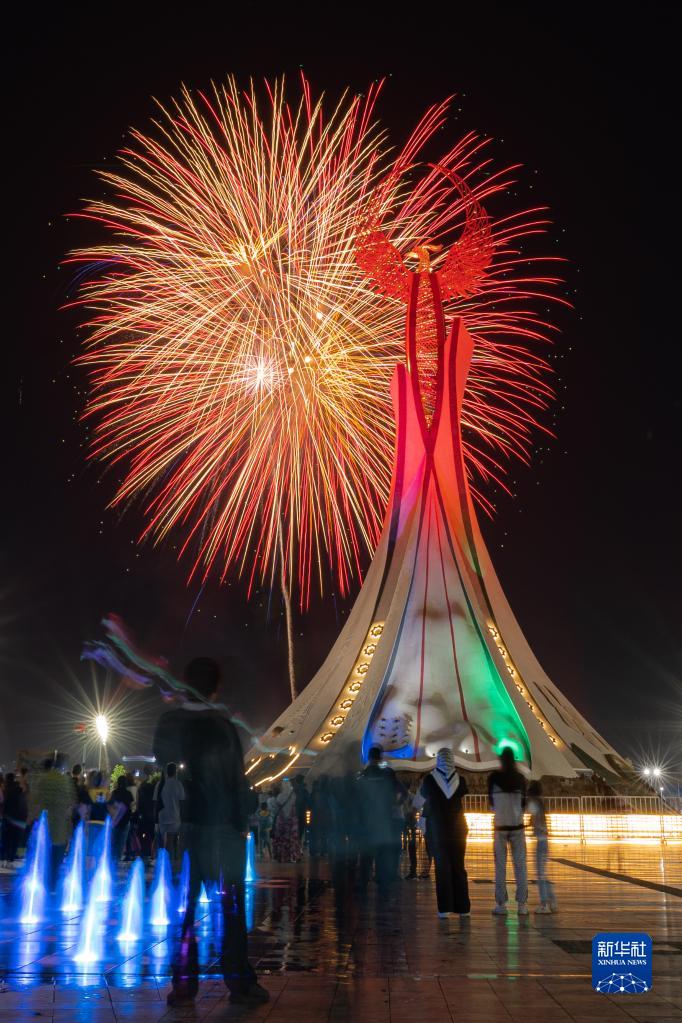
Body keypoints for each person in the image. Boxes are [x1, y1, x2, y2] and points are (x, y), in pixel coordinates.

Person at [153, 656, 267, 1008]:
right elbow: (236, 779)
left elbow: (162, 760)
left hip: (191, 829)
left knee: (186, 909)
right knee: (232, 908)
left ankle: (184, 985)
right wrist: (241, 821)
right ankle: (239, 981)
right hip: (223, 830)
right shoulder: (221, 725)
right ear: (216, 686)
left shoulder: (171, 722)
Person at [418, 748, 470, 918]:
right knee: (458, 867)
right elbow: (461, 794)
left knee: (442, 868)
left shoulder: (429, 780)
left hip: (438, 829)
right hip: (458, 829)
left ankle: (445, 909)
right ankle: (463, 908)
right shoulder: (460, 780)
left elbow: (424, 799)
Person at [356, 745, 406, 891]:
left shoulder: (362, 775)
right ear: (380, 757)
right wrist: (395, 805)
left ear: (369, 757)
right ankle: (382, 886)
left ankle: (363, 884)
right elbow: (403, 792)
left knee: (365, 856)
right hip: (384, 821)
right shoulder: (388, 775)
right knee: (382, 856)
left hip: (366, 822)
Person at [488, 747, 528, 915]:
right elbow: (524, 805)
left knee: (500, 866)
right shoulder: (521, 778)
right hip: (517, 826)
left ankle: (501, 904)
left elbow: (491, 804)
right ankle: (522, 905)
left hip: (500, 827)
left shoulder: (493, 778)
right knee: (520, 866)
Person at [28, 757, 74, 892]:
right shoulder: (65, 781)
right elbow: (71, 805)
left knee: (43, 858)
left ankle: (42, 887)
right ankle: (52, 888)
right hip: (60, 829)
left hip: (45, 827)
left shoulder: (43, 780)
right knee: (56, 861)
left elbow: (36, 803)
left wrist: (32, 820)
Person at [527, 780, 557, 913]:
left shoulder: (533, 803)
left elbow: (535, 818)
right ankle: (552, 900)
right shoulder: (540, 803)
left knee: (540, 874)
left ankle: (544, 904)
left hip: (540, 841)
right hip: (544, 840)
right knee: (542, 873)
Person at [154, 763, 185, 864]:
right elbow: (182, 801)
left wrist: (155, 818)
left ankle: (163, 862)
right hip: (174, 817)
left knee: (163, 843)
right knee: (171, 843)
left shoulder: (160, 784)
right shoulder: (178, 784)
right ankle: (168, 863)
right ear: (175, 771)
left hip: (162, 817)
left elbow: (155, 801)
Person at [1, 773, 28, 866]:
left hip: (7, 818)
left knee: (6, 839)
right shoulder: (18, 790)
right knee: (14, 840)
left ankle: (4, 859)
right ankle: (10, 859)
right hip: (17, 820)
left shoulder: (5, 790)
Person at [271, 779, 301, 862]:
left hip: (281, 819)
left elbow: (276, 807)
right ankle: (293, 856)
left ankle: (282, 856)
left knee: (281, 838)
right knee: (292, 838)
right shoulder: (294, 795)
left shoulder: (280, 796)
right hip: (292, 819)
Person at [109, 775, 134, 863]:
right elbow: (131, 808)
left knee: (114, 842)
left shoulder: (114, 793)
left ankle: (112, 861)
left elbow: (111, 806)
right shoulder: (128, 793)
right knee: (121, 843)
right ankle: (117, 860)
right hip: (125, 821)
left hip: (115, 821)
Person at [136, 766, 156, 864]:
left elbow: (139, 801)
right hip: (151, 814)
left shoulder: (142, 786)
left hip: (144, 814)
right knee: (151, 835)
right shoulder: (153, 785)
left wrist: (139, 812)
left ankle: (144, 852)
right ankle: (149, 853)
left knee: (143, 835)